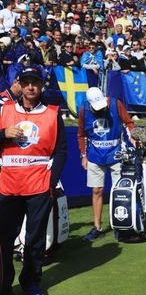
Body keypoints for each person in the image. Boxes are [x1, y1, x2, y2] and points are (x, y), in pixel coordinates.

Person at [0, 66, 67, 295]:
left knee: (35, 240)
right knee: (3, 239)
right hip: (7, 185)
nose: (31, 87)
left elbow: (61, 150)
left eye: (35, 83)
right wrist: (3, 134)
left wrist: (51, 182)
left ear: (41, 85)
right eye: (27, 82)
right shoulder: (4, 109)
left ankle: (30, 282)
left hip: (39, 186)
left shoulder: (52, 112)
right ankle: (4, 283)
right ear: (19, 83)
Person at [77, 87, 135, 241]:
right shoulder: (84, 110)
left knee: (119, 192)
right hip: (95, 155)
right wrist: (83, 156)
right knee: (96, 190)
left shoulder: (116, 104)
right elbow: (81, 135)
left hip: (116, 153)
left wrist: (134, 139)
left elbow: (129, 123)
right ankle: (97, 227)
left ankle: (119, 225)